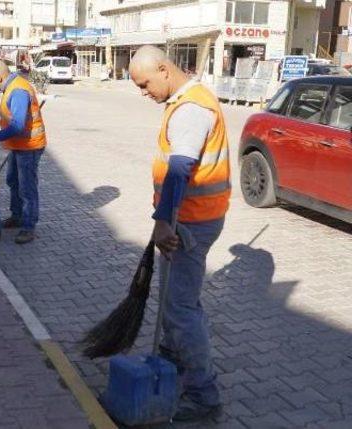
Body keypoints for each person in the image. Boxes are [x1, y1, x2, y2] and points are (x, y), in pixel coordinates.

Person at [128, 45, 230, 422]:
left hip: (190, 222)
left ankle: (204, 395)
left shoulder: (189, 109)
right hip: (193, 218)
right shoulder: (188, 100)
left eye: (144, 84)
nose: (144, 92)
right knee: (183, 302)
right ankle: (174, 360)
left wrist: (162, 221)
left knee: (180, 309)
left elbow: (180, 169)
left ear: (163, 69)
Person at [0, 60, 47, 245]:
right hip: (18, 145)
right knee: (13, 181)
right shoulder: (13, 87)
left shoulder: (18, 91)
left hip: (29, 146)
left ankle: (28, 227)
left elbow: (17, 125)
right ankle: (17, 216)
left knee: (27, 188)